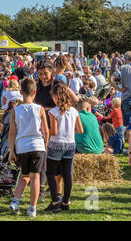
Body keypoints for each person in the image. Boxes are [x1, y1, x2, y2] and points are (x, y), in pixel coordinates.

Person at [8, 78, 49, 217]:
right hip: (37, 145)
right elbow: (46, 131)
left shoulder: (15, 110)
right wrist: (46, 144)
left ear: (20, 92)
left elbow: (12, 132)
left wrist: (11, 150)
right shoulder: (40, 109)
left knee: (24, 176)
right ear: (35, 92)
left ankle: (15, 200)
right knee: (35, 177)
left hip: (22, 147)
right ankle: (32, 208)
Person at [45, 82, 83, 213]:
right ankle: (65, 202)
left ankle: (55, 201)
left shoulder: (53, 112)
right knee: (67, 175)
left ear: (56, 97)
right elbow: (80, 130)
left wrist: (44, 131)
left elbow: (54, 132)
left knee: (50, 173)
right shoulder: (74, 111)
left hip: (56, 144)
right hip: (70, 144)